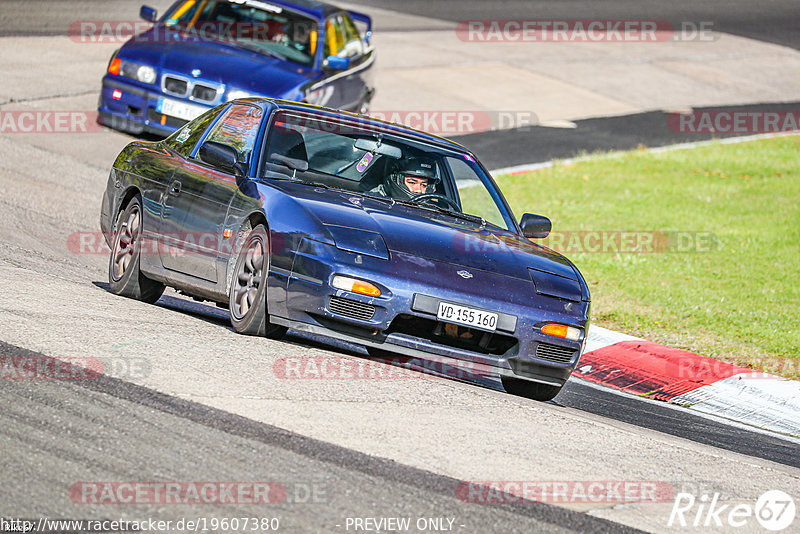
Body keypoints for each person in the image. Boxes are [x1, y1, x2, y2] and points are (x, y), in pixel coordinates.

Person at [372, 157, 440, 200]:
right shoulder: (372, 200)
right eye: (412, 183)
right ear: (395, 179)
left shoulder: (433, 211)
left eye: (423, 185)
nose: (418, 190)